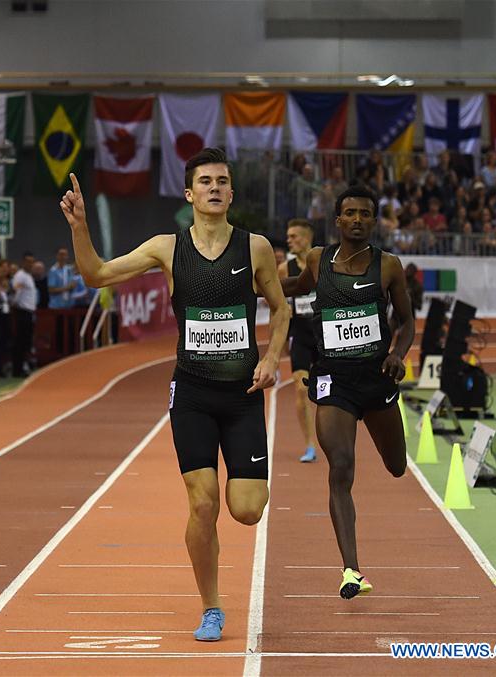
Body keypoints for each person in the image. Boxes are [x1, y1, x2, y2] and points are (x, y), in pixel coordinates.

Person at [60, 147, 290, 642]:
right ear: (190, 194)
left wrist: (271, 359)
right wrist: (80, 227)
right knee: (202, 503)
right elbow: (97, 274)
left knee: (247, 509)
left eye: (222, 181)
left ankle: (215, 543)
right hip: (191, 394)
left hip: (243, 394)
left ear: (231, 193)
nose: (214, 187)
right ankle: (211, 607)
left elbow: (282, 308)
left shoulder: (256, 248)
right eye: (205, 181)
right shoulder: (167, 248)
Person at [281, 184, 415, 600]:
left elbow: (407, 323)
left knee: (396, 466)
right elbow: (296, 287)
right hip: (333, 379)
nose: (357, 219)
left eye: (365, 214)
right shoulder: (318, 259)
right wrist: (251, 283)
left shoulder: (389, 265)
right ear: (337, 220)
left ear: (373, 221)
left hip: (376, 379)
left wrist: (398, 352)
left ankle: (352, 566)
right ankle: (351, 569)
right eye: (350, 213)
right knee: (340, 465)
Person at [277, 219, 318, 462]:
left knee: (328, 392)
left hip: (324, 337)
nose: (289, 240)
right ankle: (310, 445)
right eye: (288, 236)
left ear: (306, 238)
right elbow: (279, 305)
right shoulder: (285, 269)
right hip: (300, 336)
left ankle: (331, 437)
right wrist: (280, 339)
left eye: (293, 236)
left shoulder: (323, 263)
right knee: (302, 390)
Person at [11, 252, 38, 377]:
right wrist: (16, 304)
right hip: (22, 311)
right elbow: (17, 291)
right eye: (28, 261)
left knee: (26, 341)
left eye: (32, 261)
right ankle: (18, 368)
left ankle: (23, 366)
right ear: (23, 262)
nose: (30, 264)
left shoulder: (28, 276)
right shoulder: (20, 276)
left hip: (29, 311)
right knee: (20, 341)